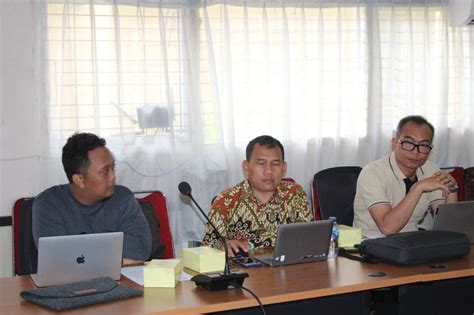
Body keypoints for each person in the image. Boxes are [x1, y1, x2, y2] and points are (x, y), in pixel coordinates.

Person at [32, 132, 152, 265]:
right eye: (105, 171)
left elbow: (141, 250)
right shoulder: (48, 205)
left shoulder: (123, 198)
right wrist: (118, 257)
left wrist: (82, 253)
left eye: (113, 167)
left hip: (120, 283)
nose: (113, 176)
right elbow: (57, 260)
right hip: (69, 284)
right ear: (80, 180)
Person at [203, 135, 313, 256]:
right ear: (246, 167)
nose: (269, 170)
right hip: (243, 271)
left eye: (275, 164)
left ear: (283, 167)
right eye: (261, 163)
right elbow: (207, 246)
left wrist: (250, 244)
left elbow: (307, 236)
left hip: (288, 269)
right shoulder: (226, 201)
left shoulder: (294, 193)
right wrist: (223, 245)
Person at [353, 115, 458, 237]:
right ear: (394, 143)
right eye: (408, 143)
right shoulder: (372, 173)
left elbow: (449, 226)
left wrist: (452, 188)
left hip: (411, 241)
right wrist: (419, 187)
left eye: (423, 145)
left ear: (430, 149)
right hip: (372, 243)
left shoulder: (431, 169)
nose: (415, 152)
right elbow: (388, 228)